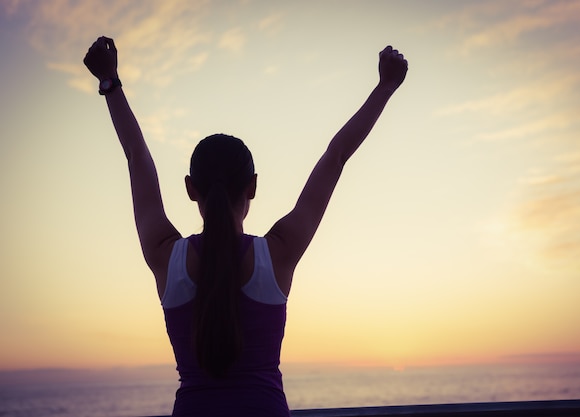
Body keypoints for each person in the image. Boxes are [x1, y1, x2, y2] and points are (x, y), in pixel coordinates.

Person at [83, 36, 408, 416]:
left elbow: (136, 157)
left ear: (191, 189)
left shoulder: (165, 255)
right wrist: (385, 87)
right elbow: (336, 156)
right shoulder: (278, 252)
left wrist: (110, 82)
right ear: (252, 186)